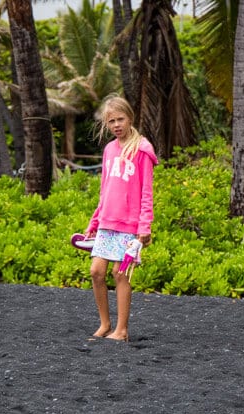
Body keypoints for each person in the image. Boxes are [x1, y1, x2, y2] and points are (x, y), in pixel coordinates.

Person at [84, 95, 158, 342]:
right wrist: (95, 221)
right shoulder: (108, 150)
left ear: (130, 118)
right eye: (111, 121)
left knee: (120, 274)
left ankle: (122, 330)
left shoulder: (142, 149)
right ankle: (105, 324)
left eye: (120, 119)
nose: (116, 125)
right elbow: (104, 189)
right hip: (107, 223)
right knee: (96, 271)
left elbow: (146, 191)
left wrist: (144, 226)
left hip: (130, 226)